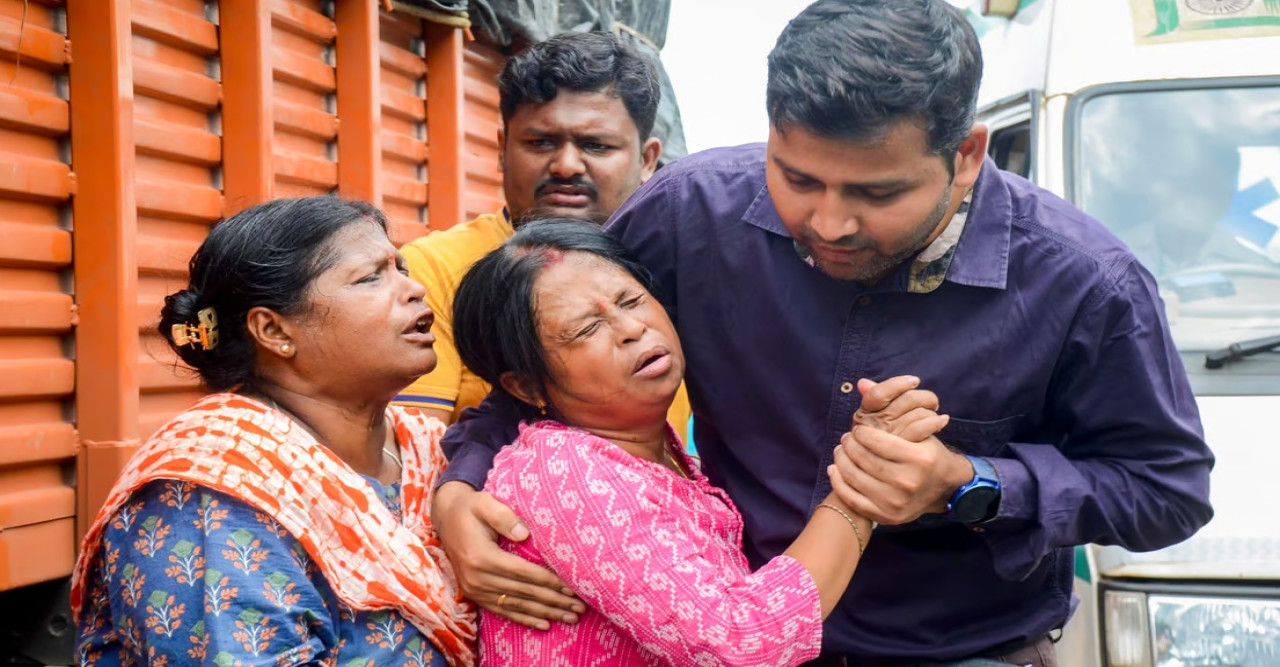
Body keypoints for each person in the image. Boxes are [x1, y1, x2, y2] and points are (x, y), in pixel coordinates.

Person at [434, 1, 1217, 665]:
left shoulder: (1083, 282)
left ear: (967, 155)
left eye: (877, 193)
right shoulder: (688, 213)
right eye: (797, 178)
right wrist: (459, 494)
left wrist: (968, 483)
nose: (829, 222)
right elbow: (533, 374)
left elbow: (1166, 490)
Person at [452, 219, 932, 666]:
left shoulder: (653, 453)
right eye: (587, 329)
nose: (631, 329)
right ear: (526, 387)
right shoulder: (569, 470)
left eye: (631, 300)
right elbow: (738, 644)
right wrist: (864, 479)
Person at [71, 197, 475, 667]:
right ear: (274, 331)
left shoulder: (428, 450)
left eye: (401, 268)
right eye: (371, 277)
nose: (416, 289)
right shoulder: (214, 488)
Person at [393, 30, 691, 437]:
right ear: (501, 150)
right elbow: (416, 455)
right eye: (541, 142)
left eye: (597, 145)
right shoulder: (433, 270)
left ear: (647, 160)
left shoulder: (680, 264)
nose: (566, 165)